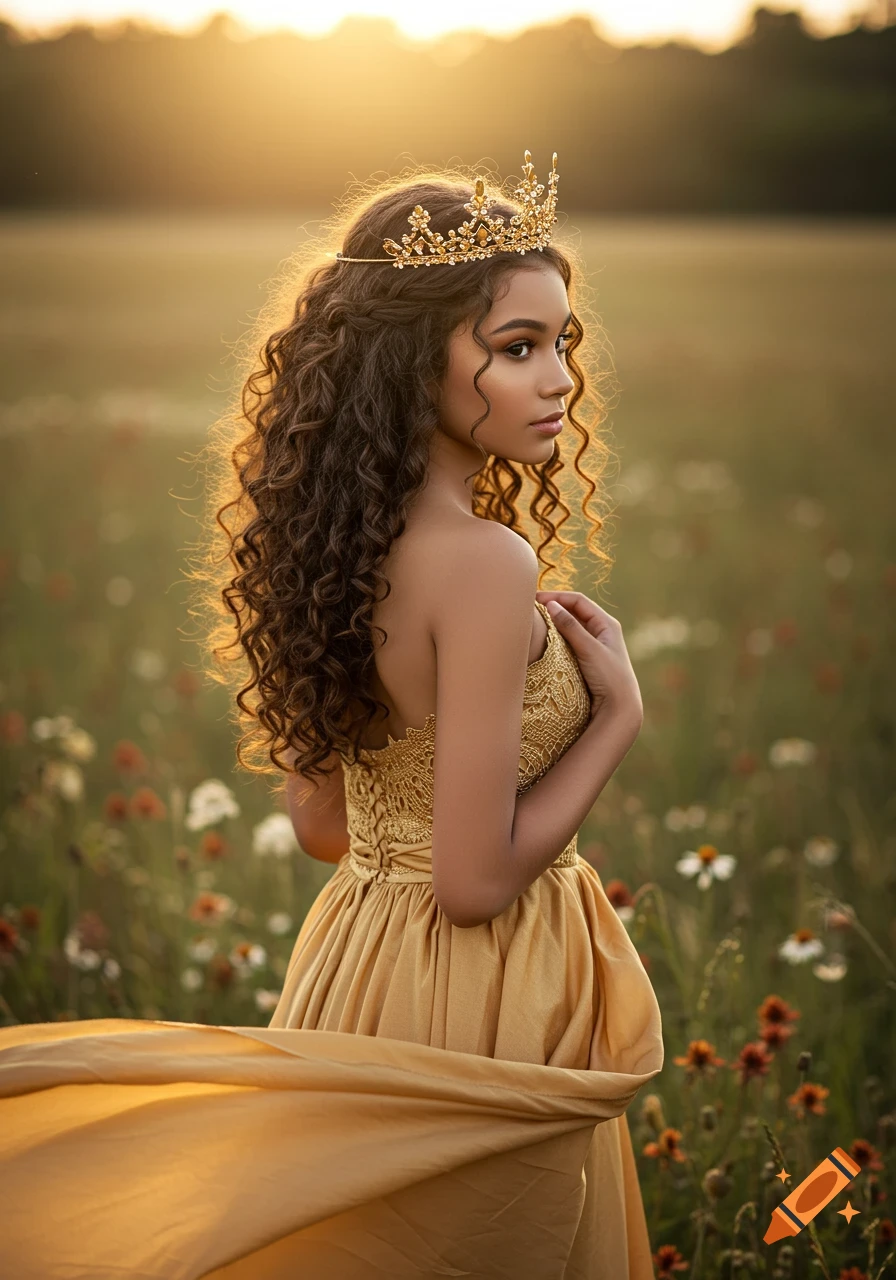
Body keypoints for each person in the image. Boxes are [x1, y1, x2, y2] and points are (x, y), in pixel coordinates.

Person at [0, 150, 664, 1279]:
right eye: (515, 348)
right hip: (483, 988)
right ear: (412, 362)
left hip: (356, 966)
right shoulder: (486, 564)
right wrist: (615, 718)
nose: (556, 379)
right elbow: (469, 884)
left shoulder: (335, 548)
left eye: (561, 344)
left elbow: (323, 828)